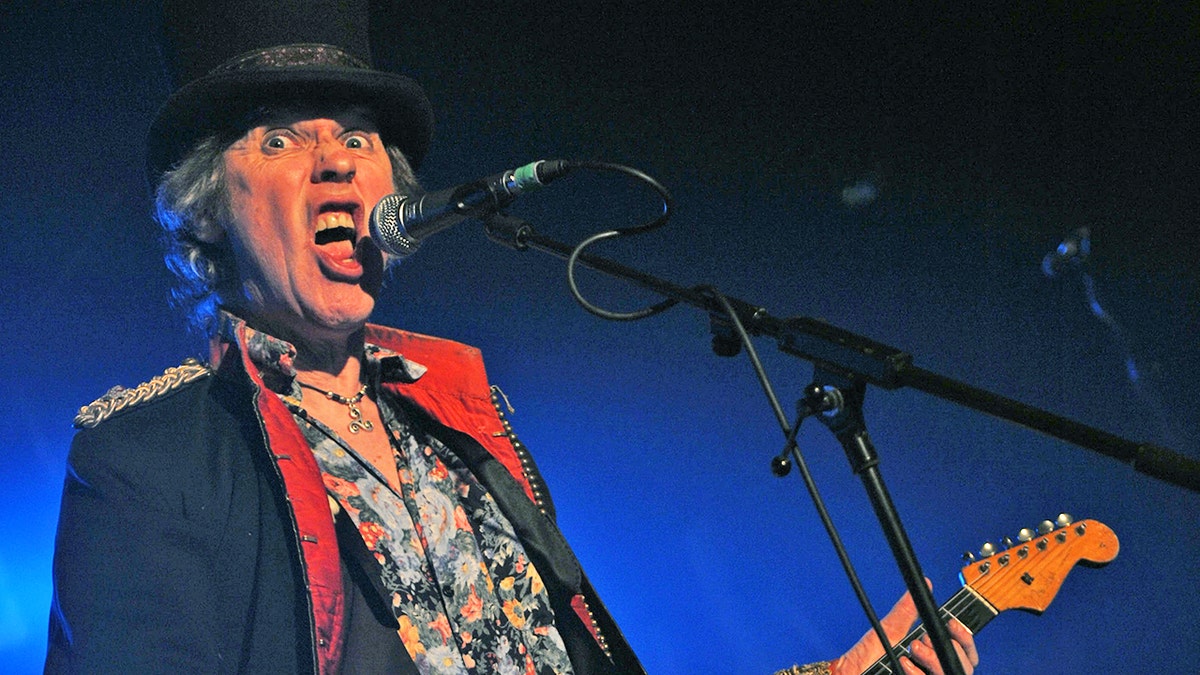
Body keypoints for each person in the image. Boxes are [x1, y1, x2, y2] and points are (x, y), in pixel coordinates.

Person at [46, 1, 979, 674]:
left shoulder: (467, 420)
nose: (335, 158)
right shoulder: (144, 454)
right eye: (280, 141)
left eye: (361, 138)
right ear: (208, 209)